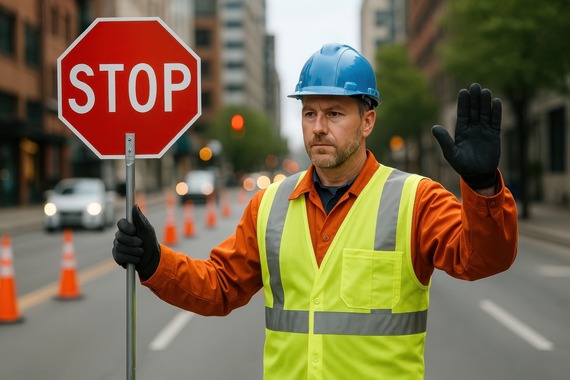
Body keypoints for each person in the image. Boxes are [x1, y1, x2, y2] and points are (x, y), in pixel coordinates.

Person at [112, 43, 518, 379]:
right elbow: (220, 287)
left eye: (335, 113)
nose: (318, 127)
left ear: (367, 121)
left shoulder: (416, 200)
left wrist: (483, 188)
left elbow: (483, 259)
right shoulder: (269, 204)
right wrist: (153, 261)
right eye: (309, 113)